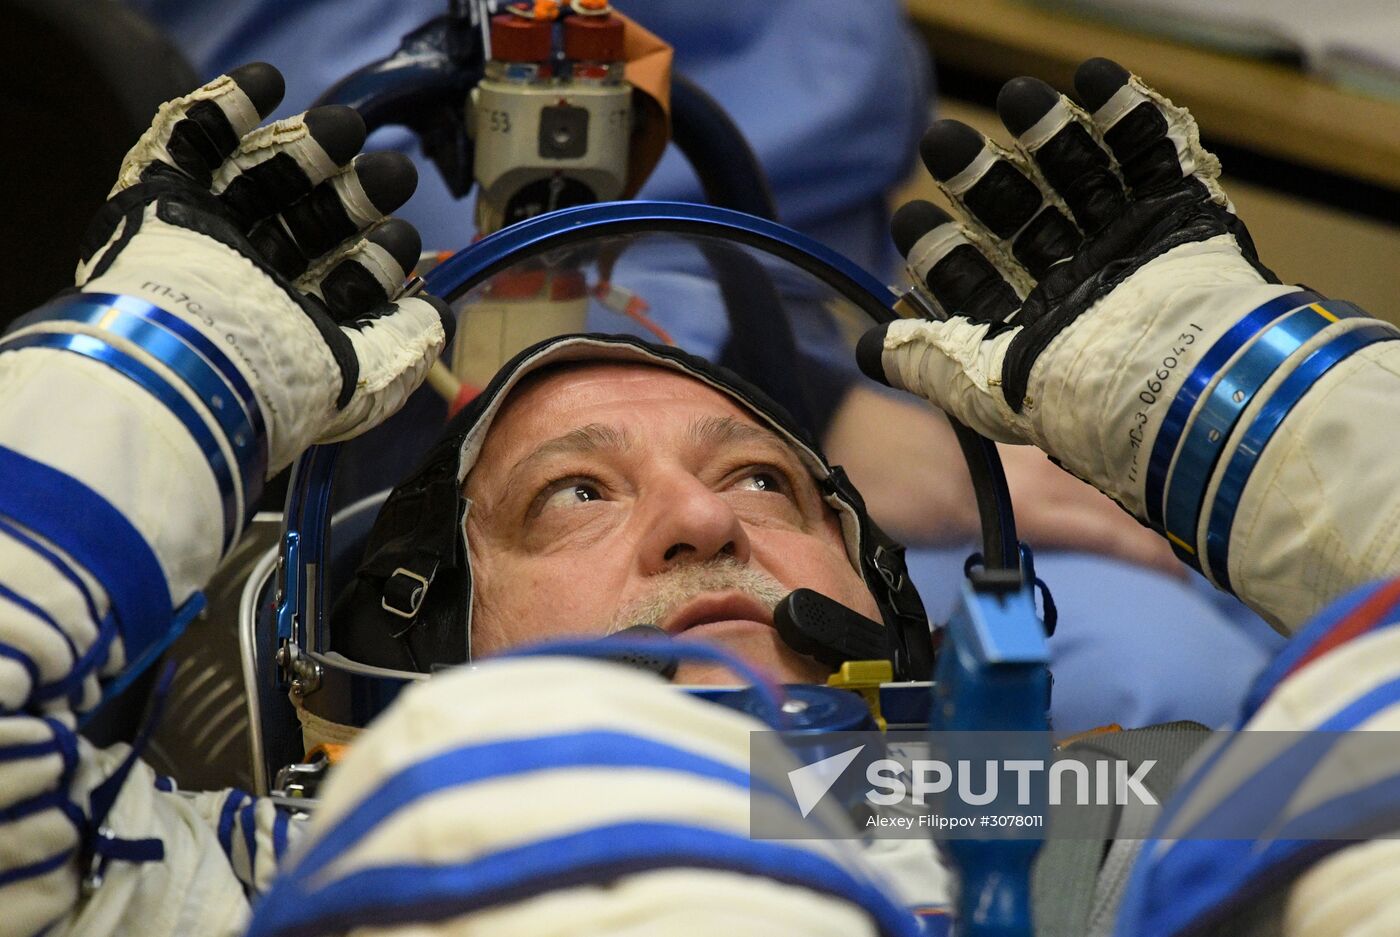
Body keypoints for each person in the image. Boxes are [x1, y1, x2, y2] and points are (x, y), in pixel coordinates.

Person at [3, 58, 1399, 937]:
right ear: (413, 656)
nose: (704, 520)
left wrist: (1233, 391)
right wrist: (179, 346)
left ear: (905, 624)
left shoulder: (1078, 815)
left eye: (762, 477)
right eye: (572, 493)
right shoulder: (275, 870)